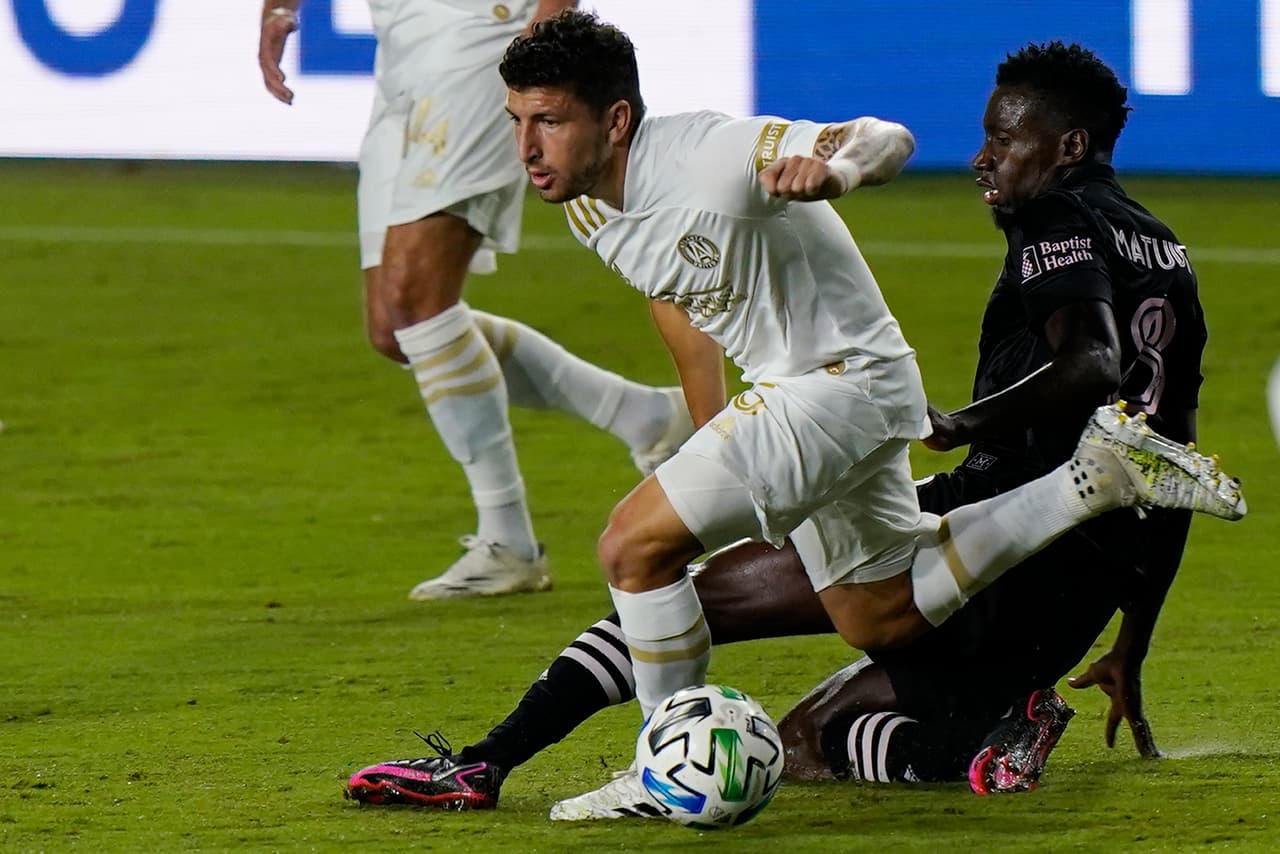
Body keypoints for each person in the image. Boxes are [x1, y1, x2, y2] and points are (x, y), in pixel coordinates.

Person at [343, 26, 1245, 813]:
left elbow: (883, 136)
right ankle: (1083, 486)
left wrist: (837, 167)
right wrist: (706, 435)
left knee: (631, 548)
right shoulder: (584, 203)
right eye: (516, 121)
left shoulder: (706, 152)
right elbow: (679, 302)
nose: (525, 146)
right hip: (843, 390)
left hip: (834, 385)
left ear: (614, 122)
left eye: (547, 121)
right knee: (879, 617)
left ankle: (661, 769)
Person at [257, 1, 693, 600]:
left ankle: (508, 540)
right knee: (393, 326)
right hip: (401, 51)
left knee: (416, 303)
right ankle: (649, 418)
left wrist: (539, 45)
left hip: (478, 43)